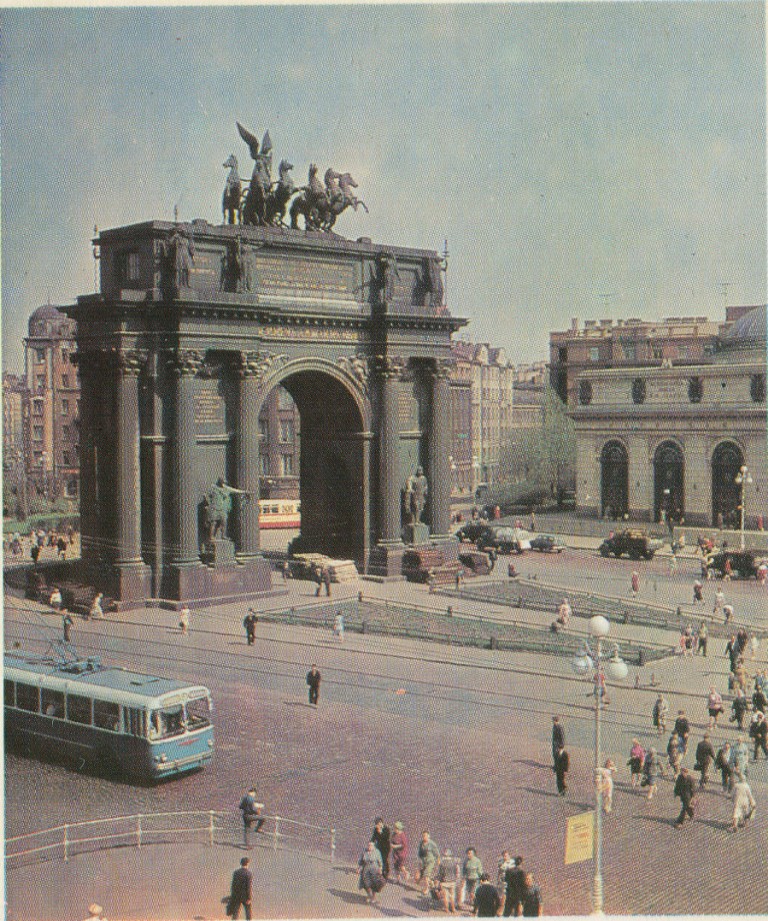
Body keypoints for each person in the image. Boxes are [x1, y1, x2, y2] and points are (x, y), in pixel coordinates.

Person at [358, 840, 385, 905]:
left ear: (374, 846)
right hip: (366, 869)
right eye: (368, 845)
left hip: (374, 869)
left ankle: (373, 897)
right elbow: (361, 862)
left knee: (374, 884)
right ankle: (369, 895)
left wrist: (380, 868)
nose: (369, 847)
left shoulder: (377, 852)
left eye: (371, 845)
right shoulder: (364, 851)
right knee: (366, 884)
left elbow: (380, 861)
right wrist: (359, 868)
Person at [436, 848, 460, 914]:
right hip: (452, 881)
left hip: (444, 882)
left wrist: (437, 883)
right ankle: (453, 909)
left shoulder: (442, 863)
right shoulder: (454, 862)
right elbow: (457, 871)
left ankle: (447, 909)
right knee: (452, 896)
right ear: (450, 855)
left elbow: (439, 874)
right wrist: (456, 878)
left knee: (445, 897)